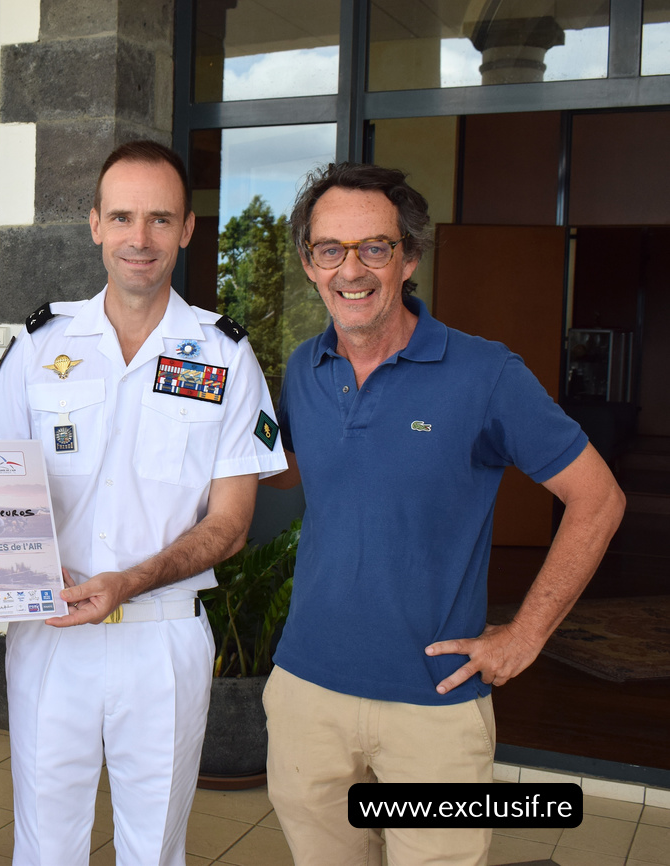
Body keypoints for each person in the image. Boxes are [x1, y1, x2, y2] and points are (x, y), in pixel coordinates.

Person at [0, 140, 287, 865]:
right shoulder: (41, 345)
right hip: (52, 629)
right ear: (94, 223)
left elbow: (230, 525)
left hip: (162, 639)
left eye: (160, 219)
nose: (140, 238)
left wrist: (129, 581)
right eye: (123, 216)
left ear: (187, 229)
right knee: (44, 846)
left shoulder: (223, 356)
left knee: (153, 850)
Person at [262, 162, 626, 864]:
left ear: (409, 258)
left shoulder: (486, 374)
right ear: (310, 264)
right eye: (330, 249)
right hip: (306, 692)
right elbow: (293, 473)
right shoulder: (304, 370)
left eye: (375, 247)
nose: (352, 270)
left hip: (433, 707)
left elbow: (599, 498)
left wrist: (524, 638)